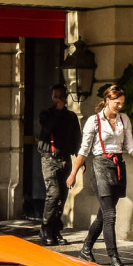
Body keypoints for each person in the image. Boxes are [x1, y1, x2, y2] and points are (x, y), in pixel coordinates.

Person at [66, 83, 133, 266]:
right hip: (100, 166)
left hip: (117, 167)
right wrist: (73, 173)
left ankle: (86, 248)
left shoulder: (124, 120)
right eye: (117, 103)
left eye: (122, 103)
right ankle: (114, 259)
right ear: (107, 100)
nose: (120, 107)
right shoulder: (94, 121)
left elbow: (130, 147)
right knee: (110, 215)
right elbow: (84, 150)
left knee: (103, 215)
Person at [37, 83, 82, 246]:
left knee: (62, 197)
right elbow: (47, 129)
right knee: (53, 194)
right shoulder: (46, 114)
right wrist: (58, 110)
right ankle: (46, 228)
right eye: (55, 97)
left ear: (65, 97)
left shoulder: (71, 117)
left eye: (61, 97)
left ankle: (56, 230)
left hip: (65, 159)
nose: (58, 100)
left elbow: (77, 139)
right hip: (49, 158)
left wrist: (80, 160)